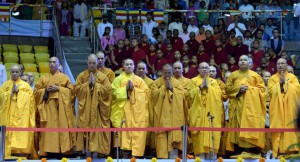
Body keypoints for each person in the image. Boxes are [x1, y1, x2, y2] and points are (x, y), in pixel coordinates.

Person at [225, 55, 266, 158]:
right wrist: (239, 89)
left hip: (252, 108)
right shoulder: (233, 75)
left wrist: (249, 89)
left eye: (245, 60)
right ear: (238, 63)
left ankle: (252, 150)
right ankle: (239, 151)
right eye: (241, 60)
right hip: (237, 107)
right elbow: (227, 90)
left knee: (250, 127)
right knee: (238, 128)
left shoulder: (255, 75)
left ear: (249, 63)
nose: (242, 61)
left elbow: (262, 91)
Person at [34, 57, 75, 157]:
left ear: (58, 64)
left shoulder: (64, 77)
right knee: (48, 131)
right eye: (50, 62)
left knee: (61, 129)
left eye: (54, 62)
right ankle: (47, 151)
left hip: (61, 109)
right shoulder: (43, 78)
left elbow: (72, 92)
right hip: (47, 109)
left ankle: (62, 150)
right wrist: (45, 90)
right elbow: (35, 93)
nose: (52, 64)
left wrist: (59, 89)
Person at [74, 54, 112, 158]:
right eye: (90, 63)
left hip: (98, 109)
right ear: (87, 62)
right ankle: (86, 152)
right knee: (85, 128)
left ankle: (95, 152)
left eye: (94, 63)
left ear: (97, 63)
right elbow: (76, 89)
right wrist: (87, 85)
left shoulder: (102, 76)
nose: (91, 65)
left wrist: (96, 85)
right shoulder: (82, 75)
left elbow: (108, 91)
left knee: (96, 129)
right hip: (85, 108)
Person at [110, 59, 149, 157]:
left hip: (136, 113)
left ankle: (136, 156)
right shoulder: (118, 79)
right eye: (127, 64)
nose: (129, 66)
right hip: (123, 112)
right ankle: (123, 155)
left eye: (131, 64)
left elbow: (146, 94)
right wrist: (125, 89)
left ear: (134, 66)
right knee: (123, 135)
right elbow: (113, 93)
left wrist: (133, 90)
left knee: (136, 134)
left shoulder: (139, 80)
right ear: (123, 65)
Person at [187, 62, 223, 159]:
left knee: (211, 140)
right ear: (198, 69)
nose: (204, 70)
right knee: (199, 143)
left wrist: (209, 88)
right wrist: (200, 88)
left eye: (206, 68)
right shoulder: (193, 81)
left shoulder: (213, 82)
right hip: (198, 114)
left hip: (211, 114)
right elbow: (188, 95)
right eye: (202, 68)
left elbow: (219, 95)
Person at [150, 64, 186, 159]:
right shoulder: (156, 82)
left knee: (173, 139)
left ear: (172, 72)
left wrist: (171, 88)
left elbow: (183, 95)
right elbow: (153, 96)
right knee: (161, 138)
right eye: (165, 72)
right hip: (161, 115)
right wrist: (163, 88)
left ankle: (173, 158)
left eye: (169, 72)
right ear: (162, 72)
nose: (167, 75)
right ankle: (162, 158)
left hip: (173, 116)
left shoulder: (176, 83)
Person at [0, 64, 36, 158]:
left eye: (17, 72)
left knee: (20, 134)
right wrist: (10, 93)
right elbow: (0, 97)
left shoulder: (25, 85)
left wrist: (19, 92)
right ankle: (7, 153)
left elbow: (31, 100)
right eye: (13, 72)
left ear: (20, 72)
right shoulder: (5, 85)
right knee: (7, 134)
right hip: (8, 113)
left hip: (21, 115)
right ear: (10, 72)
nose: (15, 74)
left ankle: (20, 153)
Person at [268, 58, 300, 158]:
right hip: (277, 109)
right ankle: (278, 152)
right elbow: (271, 92)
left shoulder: (292, 77)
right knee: (277, 128)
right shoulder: (272, 78)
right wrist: (280, 84)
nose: (281, 65)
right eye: (278, 64)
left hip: (290, 109)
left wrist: (286, 83)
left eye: (283, 63)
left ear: (286, 65)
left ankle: (291, 151)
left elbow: (297, 90)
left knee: (290, 127)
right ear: (276, 66)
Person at [135, 62, 155, 151]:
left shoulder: (150, 82)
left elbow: (152, 96)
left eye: (143, 69)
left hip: (146, 107)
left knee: (146, 128)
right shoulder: (131, 80)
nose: (141, 70)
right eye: (139, 68)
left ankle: (146, 149)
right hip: (134, 108)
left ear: (146, 70)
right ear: (136, 70)